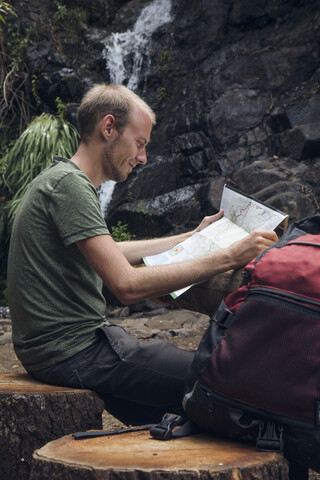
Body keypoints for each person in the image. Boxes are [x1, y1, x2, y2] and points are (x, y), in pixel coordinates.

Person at [7, 84, 278, 426]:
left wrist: (193, 236)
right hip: (74, 352)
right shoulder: (69, 186)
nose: (143, 158)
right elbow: (127, 285)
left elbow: (112, 251)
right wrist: (228, 257)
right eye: (140, 143)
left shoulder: (61, 180)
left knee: (184, 417)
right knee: (227, 380)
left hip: (66, 348)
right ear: (109, 128)